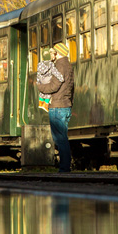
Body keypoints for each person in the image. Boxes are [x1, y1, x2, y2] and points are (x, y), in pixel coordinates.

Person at [37, 41, 74, 172]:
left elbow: (54, 86)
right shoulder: (68, 66)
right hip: (65, 105)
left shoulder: (59, 66)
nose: (51, 55)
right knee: (62, 137)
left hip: (57, 106)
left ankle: (64, 167)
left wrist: (39, 86)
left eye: (53, 52)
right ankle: (66, 165)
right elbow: (71, 88)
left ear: (58, 53)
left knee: (59, 138)